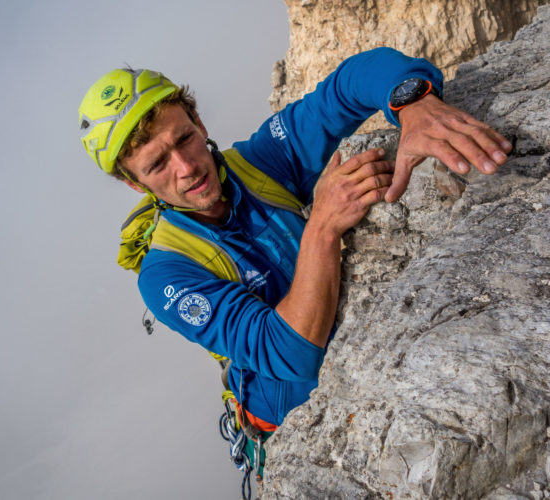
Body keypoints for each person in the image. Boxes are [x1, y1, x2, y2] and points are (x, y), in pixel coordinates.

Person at [77, 47, 511, 483]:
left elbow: (346, 86)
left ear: (199, 123)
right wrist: (323, 224)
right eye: (157, 164)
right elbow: (288, 352)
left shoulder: (260, 163)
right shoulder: (166, 274)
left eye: (184, 139)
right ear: (135, 183)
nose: (187, 167)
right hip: (289, 416)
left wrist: (413, 103)